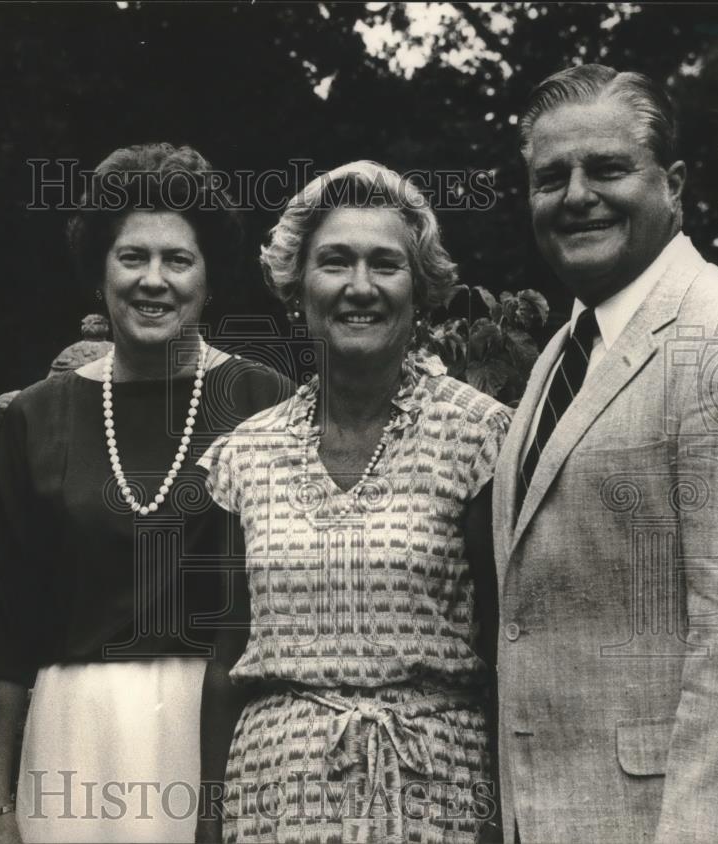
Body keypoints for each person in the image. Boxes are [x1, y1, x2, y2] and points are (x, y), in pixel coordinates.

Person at [0, 142, 292, 843]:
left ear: (209, 280)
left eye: (178, 259)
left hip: (220, 732)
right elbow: (3, 625)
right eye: (131, 257)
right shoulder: (35, 415)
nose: (155, 280)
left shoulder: (264, 403)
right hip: (74, 733)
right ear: (98, 274)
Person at [196, 161, 510, 843]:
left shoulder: (479, 434)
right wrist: (209, 822)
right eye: (335, 262)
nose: (359, 287)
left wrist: (495, 817)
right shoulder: (246, 452)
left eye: (385, 265)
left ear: (420, 288)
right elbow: (226, 657)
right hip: (274, 793)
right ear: (297, 287)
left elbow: (504, 647)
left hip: (436, 790)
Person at [492, 64, 718, 843]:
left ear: (672, 185)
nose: (576, 196)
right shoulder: (562, 353)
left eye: (607, 169)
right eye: (551, 177)